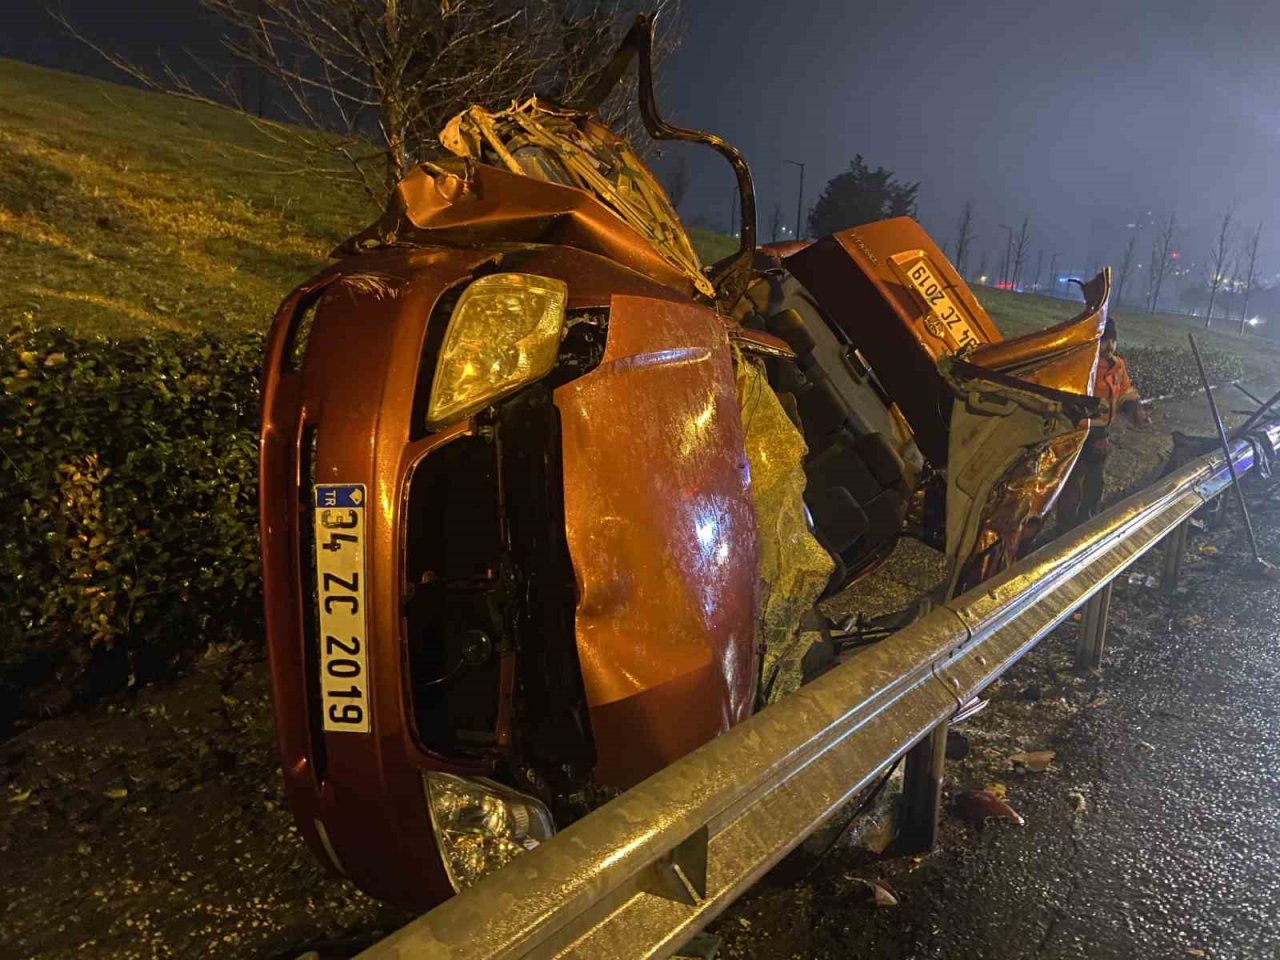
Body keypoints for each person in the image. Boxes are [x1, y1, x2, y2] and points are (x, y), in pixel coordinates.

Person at [1056, 317, 1148, 531]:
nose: (1108, 346)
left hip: (1100, 434)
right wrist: (1094, 433)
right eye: (1103, 340)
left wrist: (1135, 409)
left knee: (1095, 482)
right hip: (1078, 433)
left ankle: (1087, 520)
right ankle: (1065, 528)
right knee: (1073, 481)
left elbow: (1125, 391)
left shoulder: (1118, 366)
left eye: (1112, 340)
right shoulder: (1082, 366)